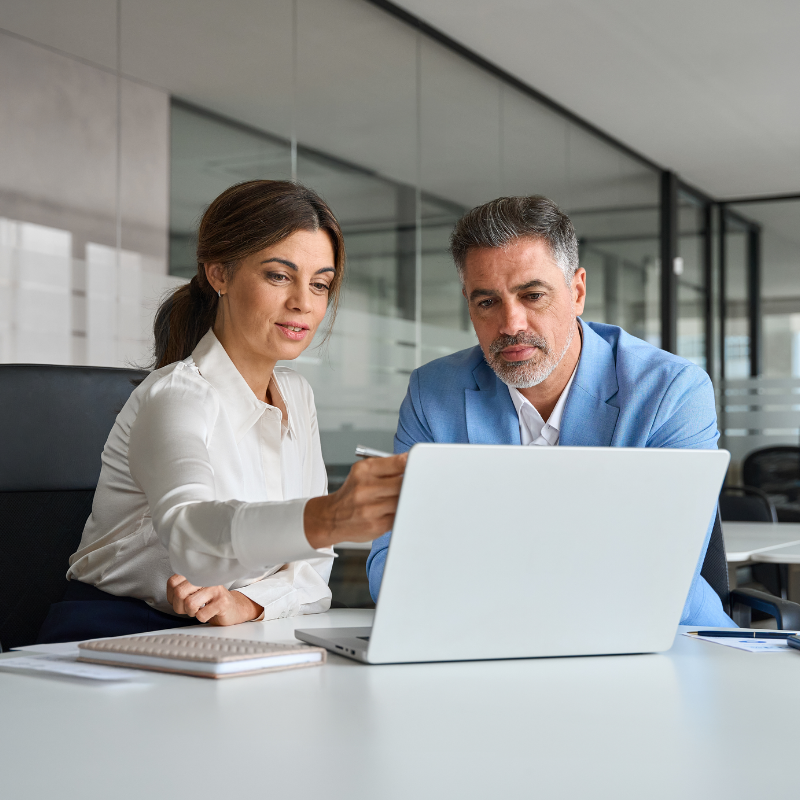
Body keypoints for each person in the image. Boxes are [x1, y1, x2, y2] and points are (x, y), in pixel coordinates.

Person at [38, 180, 406, 644]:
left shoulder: (297, 395)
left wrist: (249, 603)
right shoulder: (175, 396)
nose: (304, 303)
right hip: (110, 636)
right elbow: (190, 536)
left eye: (320, 284)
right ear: (219, 274)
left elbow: (313, 576)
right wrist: (329, 517)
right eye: (278, 275)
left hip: (229, 634)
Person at [366, 195, 733, 627]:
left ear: (576, 292)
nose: (512, 324)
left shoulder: (670, 391)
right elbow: (390, 565)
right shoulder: (434, 392)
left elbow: (663, 571)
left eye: (533, 295)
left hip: (658, 639)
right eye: (486, 303)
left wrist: (476, 565)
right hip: (482, 638)